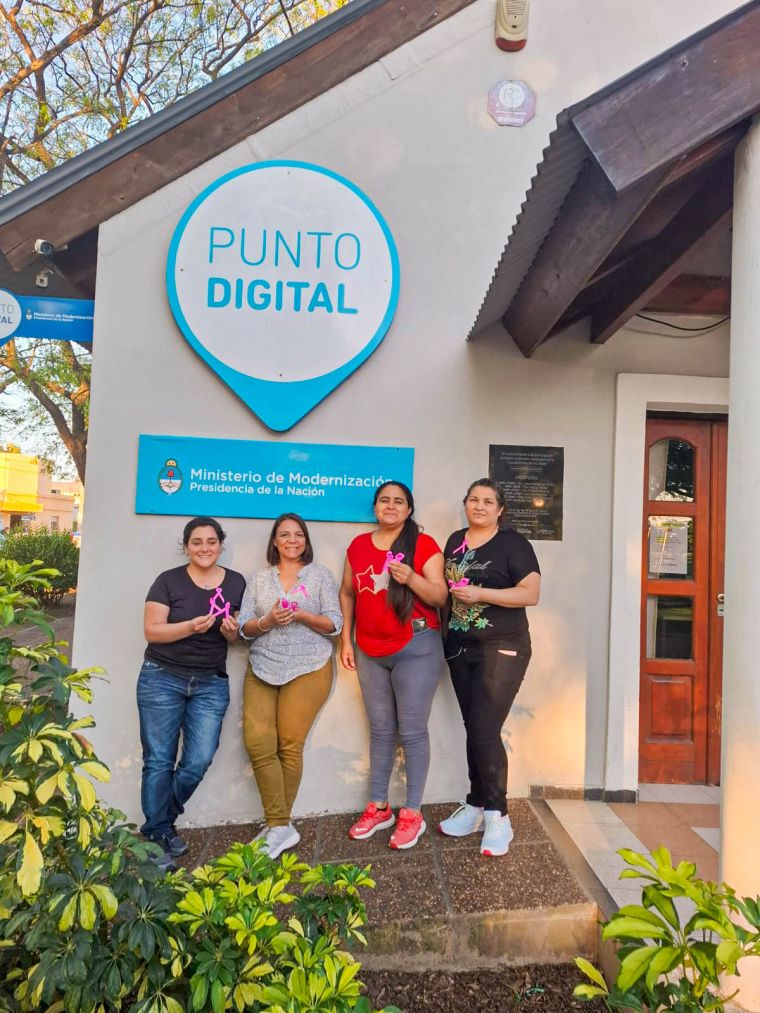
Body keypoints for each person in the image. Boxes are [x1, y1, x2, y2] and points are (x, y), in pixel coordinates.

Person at [340, 481, 447, 850]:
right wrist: (346, 641)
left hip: (416, 646)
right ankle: (379, 807)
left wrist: (411, 578)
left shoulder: (424, 545)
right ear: (375, 507)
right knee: (381, 730)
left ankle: (412, 812)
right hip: (369, 650)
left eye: (398, 501)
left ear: (408, 510)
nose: (390, 506)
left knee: (413, 730)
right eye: (384, 500)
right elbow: (347, 592)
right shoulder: (357, 546)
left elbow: (439, 595)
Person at [439, 479, 540, 857]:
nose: (479, 506)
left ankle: (499, 814)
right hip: (460, 647)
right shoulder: (454, 541)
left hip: (503, 646)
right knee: (474, 728)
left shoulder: (514, 544)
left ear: (500, 510)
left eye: (488, 501)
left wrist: (482, 594)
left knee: (484, 728)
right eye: (473, 500)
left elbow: (531, 593)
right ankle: (476, 804)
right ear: (465, 504)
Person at [138, 516, 245, 870]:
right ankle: (157, 837)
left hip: (210, 682)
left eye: (211, 541)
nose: (204, 548)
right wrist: (187, 627)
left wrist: (231, 631)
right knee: (158, 760)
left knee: (198, 759)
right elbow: (152, 631)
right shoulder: (167, 581)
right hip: (162, 677)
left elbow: (236, 637)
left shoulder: (235, 583)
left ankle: (159, 823)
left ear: (220, 544)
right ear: (186, 546)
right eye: (197, 542)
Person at [239, 513, 342, 859]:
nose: (292, 540)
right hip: (263, 665)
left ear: (306, 541)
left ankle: (278, 826)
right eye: (285, 535)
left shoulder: (320, 575)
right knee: (257, 743)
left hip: (309, 666)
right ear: (275, 541)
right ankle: (280, 827)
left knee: (288, 743)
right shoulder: (258, 579)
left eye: (298, 535)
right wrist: (266, 621)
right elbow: (242, 629)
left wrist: (301, 615)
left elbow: (335, 625)